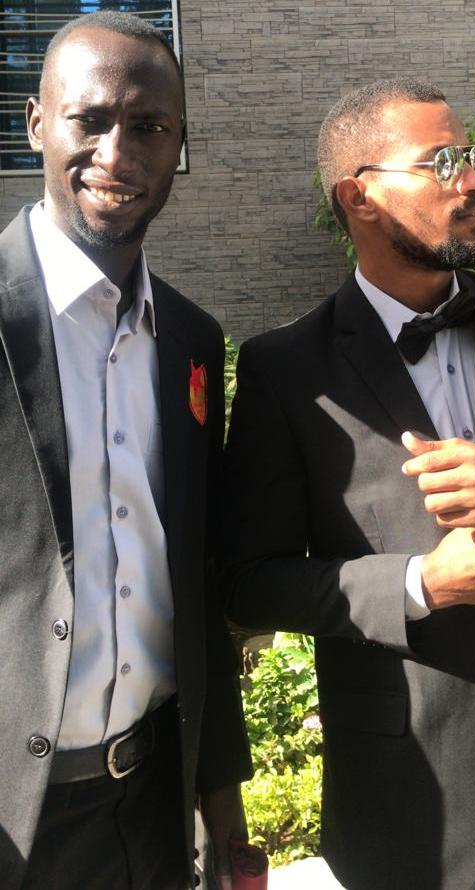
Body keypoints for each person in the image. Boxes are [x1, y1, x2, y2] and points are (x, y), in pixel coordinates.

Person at [221, 78, 475, 889]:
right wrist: (420, 584)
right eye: (441, 163)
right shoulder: (287, 371)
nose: (474, 180)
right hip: (408, 800)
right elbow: (251, 583)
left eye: (470, 157)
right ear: (359, 197)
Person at [0, 12, 251, 890]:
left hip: (150, 810)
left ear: (179, 144)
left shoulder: (191, 340)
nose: (117, 153)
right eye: (91, 120)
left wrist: (222, 804)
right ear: (38, 123)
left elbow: (195, 581)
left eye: (149, 127)